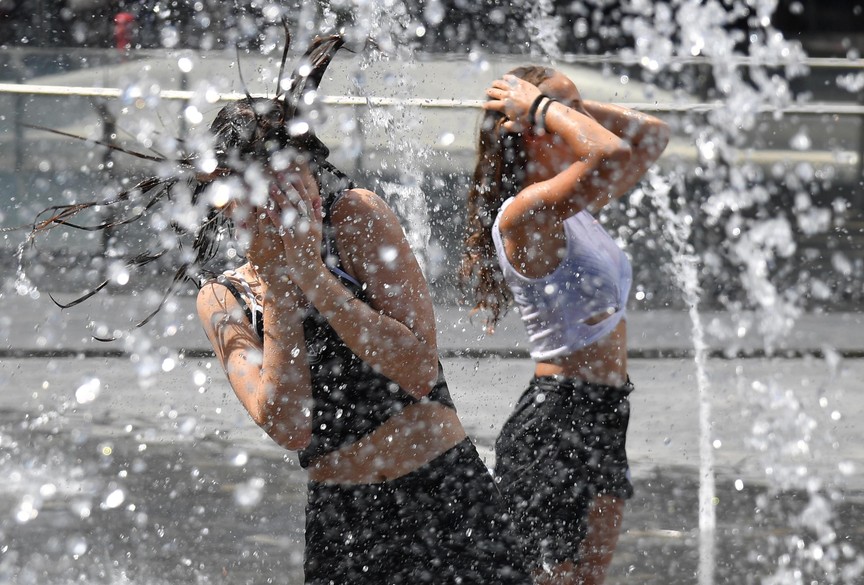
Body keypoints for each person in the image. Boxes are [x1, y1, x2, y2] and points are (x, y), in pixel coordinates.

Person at [24, 35, 532, 585]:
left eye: (298, 174)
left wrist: (315, 275)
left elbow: (416, 369)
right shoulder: (224, 297)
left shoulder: (357, 218)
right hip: (345, 525)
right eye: (266, 186)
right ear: (230, 196)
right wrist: (280, 285)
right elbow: (289, 426)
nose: (292, 196)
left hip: (444, 494)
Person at [460, 66, 670, 585]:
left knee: (586, 580)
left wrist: (561, 104)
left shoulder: (570, 203)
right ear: (533, 129)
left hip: (603, 410)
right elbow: (613, 153)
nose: (577, 121)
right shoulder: (525, 214)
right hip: (557, 422)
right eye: (564, 113)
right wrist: (541, 106)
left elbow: (653, 136)